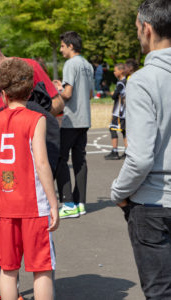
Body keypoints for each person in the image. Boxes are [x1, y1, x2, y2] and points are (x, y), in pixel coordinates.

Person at [0, 21, 64, 228]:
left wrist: (31, 110)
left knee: (36, 223)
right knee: (0, 223)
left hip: (31, 163)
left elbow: (57, 103)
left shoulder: (28, 66)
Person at [0, 58, 58, 300]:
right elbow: (42, 163)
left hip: (4, 206)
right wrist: (54, 202)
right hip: (33, 205)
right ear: (31, 89)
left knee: (8, 269)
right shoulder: (36, 119)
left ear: (2, 92)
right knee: (41, 268)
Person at [111, 0, 171, 298]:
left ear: (147, 29)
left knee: (160, 292)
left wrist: (118, 193)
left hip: (153, 204)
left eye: (137, 29)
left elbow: (141, 157)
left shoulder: (143, 81)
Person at [55, 31, 93, 219]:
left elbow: (68, 94)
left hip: (71, 120)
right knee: (80, 160)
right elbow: (90, 94)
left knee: (60, 158)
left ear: (70, 46)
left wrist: (57, 91)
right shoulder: (87, 65)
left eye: (62, 46)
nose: (61, 49)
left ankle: (68, 202)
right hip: (85, 119)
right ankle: (80, 203)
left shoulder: (71, 64)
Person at [105, 63, 127, 160]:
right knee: (124, 131)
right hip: (125, 111)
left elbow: (114, 96)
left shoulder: (121, 83)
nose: (114, 72)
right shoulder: (127, 81)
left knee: (113, 129)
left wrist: (110, 93)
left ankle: (115, 152)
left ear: (121, 71)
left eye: (115, 70)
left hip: (119, 111)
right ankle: (127, 151)